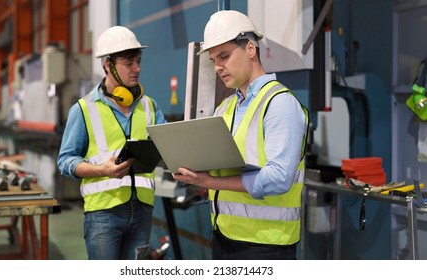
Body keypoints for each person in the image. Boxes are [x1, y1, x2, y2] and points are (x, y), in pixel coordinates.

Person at [172, 10, 309, 260]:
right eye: (214, 60)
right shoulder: (226, 107)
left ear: (250, 48)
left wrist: (209, 182)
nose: (218, 67)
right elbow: (223, 164)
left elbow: (279, 179)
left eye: (224, 56)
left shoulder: (280, 104)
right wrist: (193, 170)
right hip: (224, 236)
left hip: (266, 244)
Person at [57, 26, 167, 260]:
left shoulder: (150, 106)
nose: (137, 68)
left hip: (142, 210)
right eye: (129, 63)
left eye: (138, 61)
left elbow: (168, 145)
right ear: (108, 65)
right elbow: (65, 161)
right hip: (103, 214)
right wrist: (101, 170)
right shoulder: (84, 109)